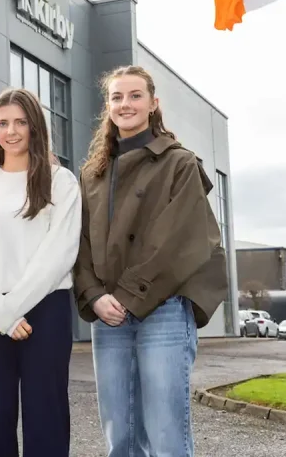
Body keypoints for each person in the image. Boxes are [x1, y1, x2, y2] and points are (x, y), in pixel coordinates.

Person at [73, 65, 228, 457]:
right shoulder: (92, 174)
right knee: (120, 438)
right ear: (108, 107)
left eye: (135, 95)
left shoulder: (180, 164)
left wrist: (126, 296)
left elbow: (179, 243)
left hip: (164, 310)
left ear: (153, 103)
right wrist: (93, 296)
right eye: (117, 97)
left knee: (166, 437)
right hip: (108, 315)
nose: (125, 104)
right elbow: (79, 243)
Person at [0, 88, 81, 457]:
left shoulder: (61, 181)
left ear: (35, 127)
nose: (10, 131)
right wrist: (0, 310)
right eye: (2, 123)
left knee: (46, 416)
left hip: (46, 309)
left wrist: (11, 310)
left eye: (20, 122)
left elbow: (59, 253)